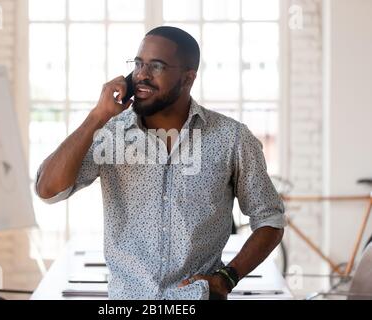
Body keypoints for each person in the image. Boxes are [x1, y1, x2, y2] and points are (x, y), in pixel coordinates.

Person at [35, 26, 286, 300]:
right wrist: (97, 116)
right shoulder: (110, 133)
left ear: (188, 78)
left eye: (156, 66)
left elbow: (270, 219)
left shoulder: (231, 138)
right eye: (139, 64)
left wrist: (227, 278)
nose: (142, 75)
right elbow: (48, 190)